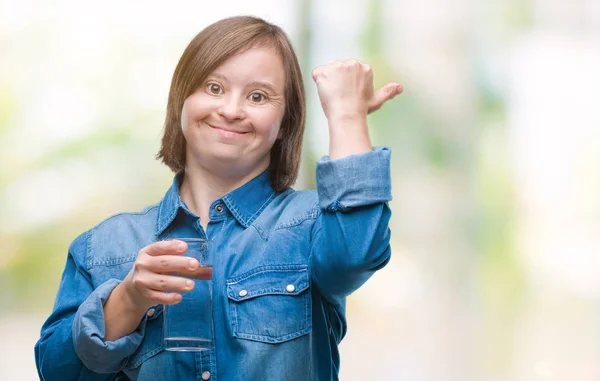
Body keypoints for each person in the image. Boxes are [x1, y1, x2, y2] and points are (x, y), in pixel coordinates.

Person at [34, 15, 402, 381]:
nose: (230, 110)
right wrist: (127, 301)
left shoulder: (313, 225)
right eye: (213, 87)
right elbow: (56, 372)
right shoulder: (103, 248)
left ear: (284, 122)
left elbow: (355, 255)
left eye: (258, 96)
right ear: (182, 100)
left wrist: (347, 115)